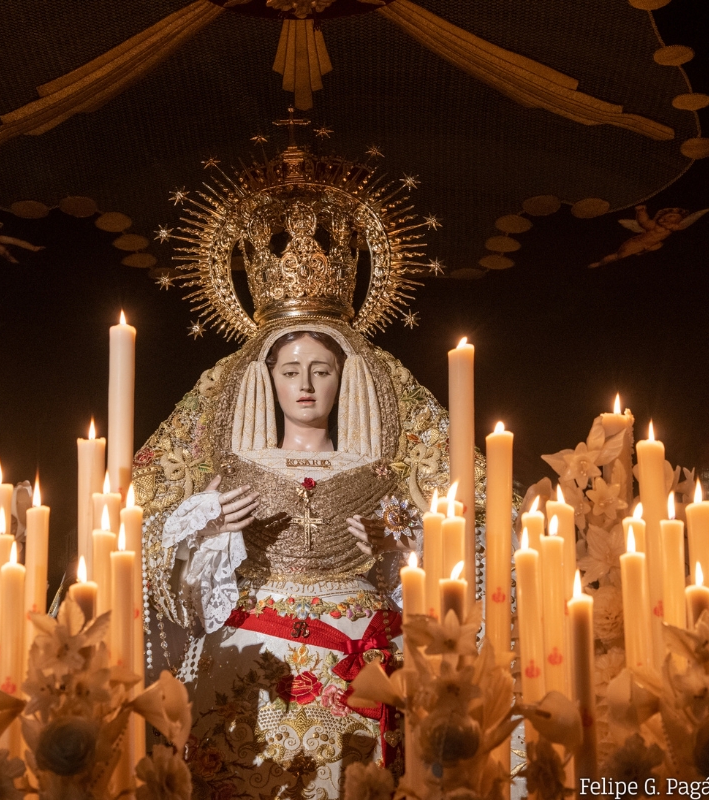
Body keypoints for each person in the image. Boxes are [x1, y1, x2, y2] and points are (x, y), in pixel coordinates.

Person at [131, 138, 483, 798]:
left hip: (362, 651)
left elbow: (473, 525)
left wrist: (407, 545)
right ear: (266, 379)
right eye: (290, 372)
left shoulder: (392, 415)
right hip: (247, 657)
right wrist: (206, 527)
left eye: (322, 372)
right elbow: (130, 523)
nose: (305, 386)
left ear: (345, 380)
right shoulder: (217, 405)